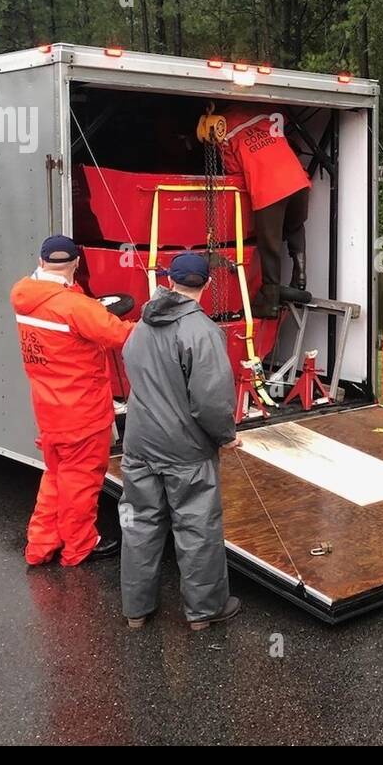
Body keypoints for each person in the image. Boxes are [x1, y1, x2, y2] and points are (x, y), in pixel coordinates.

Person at [118, 252, 243, 630]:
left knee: (139, 524)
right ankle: (204, 612)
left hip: (140, 442)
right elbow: (211, 399)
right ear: (206, 284)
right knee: (196, 526)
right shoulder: (201, 330)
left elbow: (130, 362)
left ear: (169, 280)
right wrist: (226, 435)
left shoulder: (142, 321)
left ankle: (135, 611)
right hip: (185, 450)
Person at [11, 235, 133, 566]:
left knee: (55, 478)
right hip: (83, 413)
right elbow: (120, 335)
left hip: (49, 411)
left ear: (40, 263)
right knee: (80, 482)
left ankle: (40, 545)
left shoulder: (26, 296)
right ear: (77, 264)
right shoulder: (75, 307)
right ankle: (80, 547)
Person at [198, 101, 312, 318]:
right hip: (299, 182)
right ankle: (299, 280)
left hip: (268, 190)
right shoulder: (263, 113)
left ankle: (270, 303)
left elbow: (233, 170)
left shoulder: (223, 128)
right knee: (295, 226)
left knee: (270, 247)